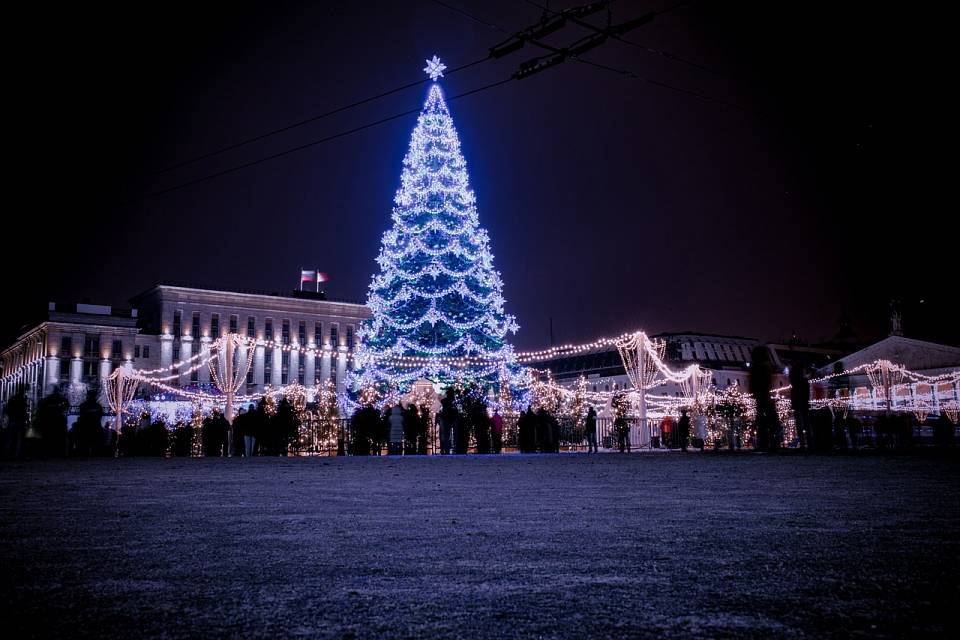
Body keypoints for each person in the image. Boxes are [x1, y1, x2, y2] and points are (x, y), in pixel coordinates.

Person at [3, 389, 29, 459]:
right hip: (19, 420)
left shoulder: (12, 400)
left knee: (10, 438)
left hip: (12, 420)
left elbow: (7, 410)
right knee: (19, 439)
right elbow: (24, 411)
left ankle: (7, 453)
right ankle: (17, 455)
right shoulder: (22, 400)